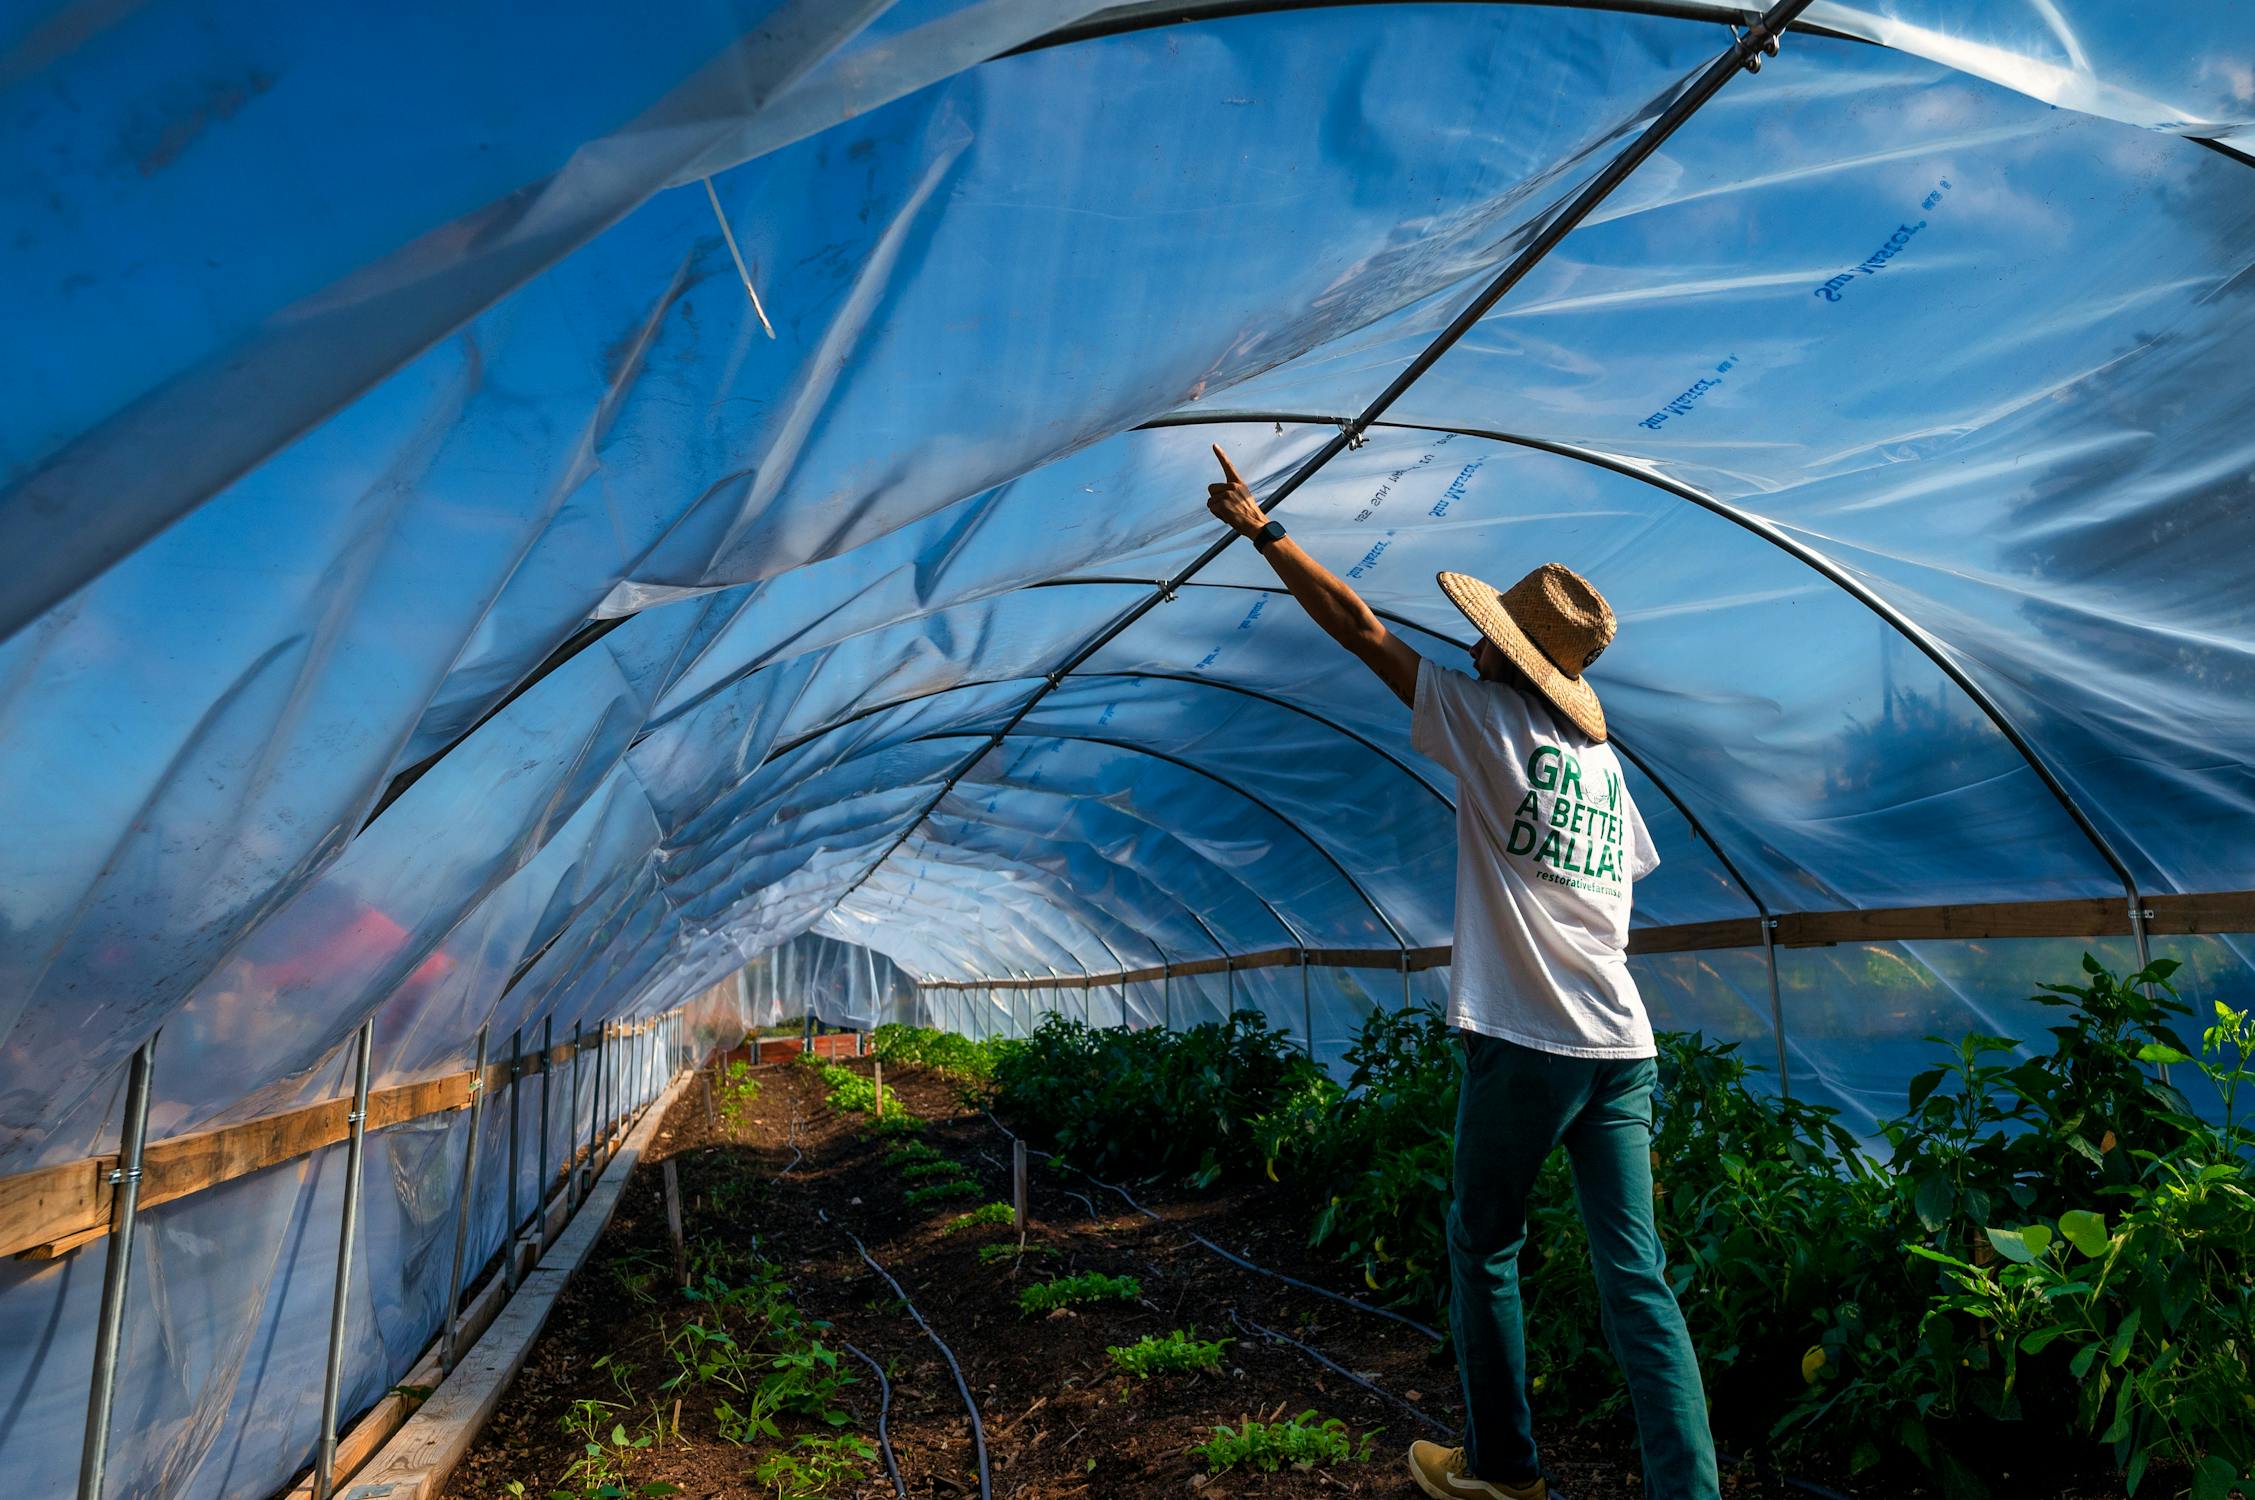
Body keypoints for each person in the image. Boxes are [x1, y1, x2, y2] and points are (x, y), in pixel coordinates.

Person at [1204, 446, 1717, 1500]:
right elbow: (1617, 886)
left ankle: (1503, 1472)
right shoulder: (1602, 765)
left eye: (1489, 637)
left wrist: (1262, 530)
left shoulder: (1482, 721)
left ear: (1511, 659)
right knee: (1637, 1282)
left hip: (1525, 1039)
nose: (1474, 645)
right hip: (1621, 1044)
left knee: (1483, 1246)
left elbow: (1360, 631)